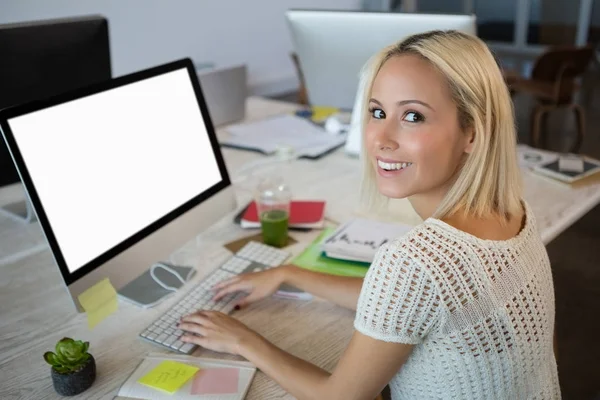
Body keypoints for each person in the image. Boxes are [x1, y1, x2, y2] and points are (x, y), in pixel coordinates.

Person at [178, 30, 560, 400]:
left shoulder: (417, 261)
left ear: (472, 133)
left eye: (412, 116)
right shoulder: (513, 210)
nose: (380, 138)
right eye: (377, 111)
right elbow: (409, 303)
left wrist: (242, 340)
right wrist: (289, 274)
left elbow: (338, 397)